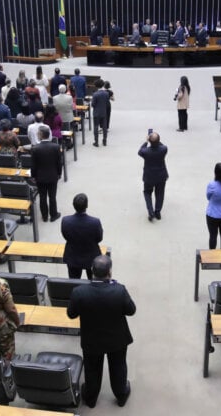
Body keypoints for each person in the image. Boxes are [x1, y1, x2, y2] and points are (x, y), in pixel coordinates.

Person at [67, 255, 135, 409]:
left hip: (92, 339)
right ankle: (121, 395)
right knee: (118, 367)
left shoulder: (79, 292)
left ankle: (91, 398)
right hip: (117, 338)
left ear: (92, 271)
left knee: (92, 369)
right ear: (109, 272)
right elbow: (131, 310)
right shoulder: (119, 290)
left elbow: (71, 314)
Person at [61, 193, 102, 278]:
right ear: (87, 205)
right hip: (91, 256)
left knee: (73, 283)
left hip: (73, 256)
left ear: (73, 205)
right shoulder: (95, 222)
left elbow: (65, 236)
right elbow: (99, 238)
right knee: (93, 283)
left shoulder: (66, 221)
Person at [31, 126, 62, 222]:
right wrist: (59, 173)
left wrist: (33, 176)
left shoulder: (35, 149)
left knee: (42, 197)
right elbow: (59, 163)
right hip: (53, 175)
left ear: (41, 135)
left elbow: (33, 165)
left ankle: (44, 216)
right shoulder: (56, 147)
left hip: (40, 177)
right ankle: (54, 215)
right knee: (52, 197)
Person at [138, 132, 168, 222]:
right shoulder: (164, 149)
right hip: (161, 176)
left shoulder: (145, 151)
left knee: (147, 192)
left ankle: (151, 212)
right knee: (160, 193)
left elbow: (140, 151)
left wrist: (146, 141)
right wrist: (156, 140)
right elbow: (162, 145)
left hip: (149, 176)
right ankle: (157, 212)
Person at [91, 79, 110, 147]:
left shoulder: (95, 94)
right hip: (104, 112)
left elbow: (93, 104)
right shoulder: (106, 93)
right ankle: (104, 141)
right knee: (104, 127)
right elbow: (107, 104)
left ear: (96, 86)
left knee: (96, 127)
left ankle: (96, 142)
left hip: (96, 113)